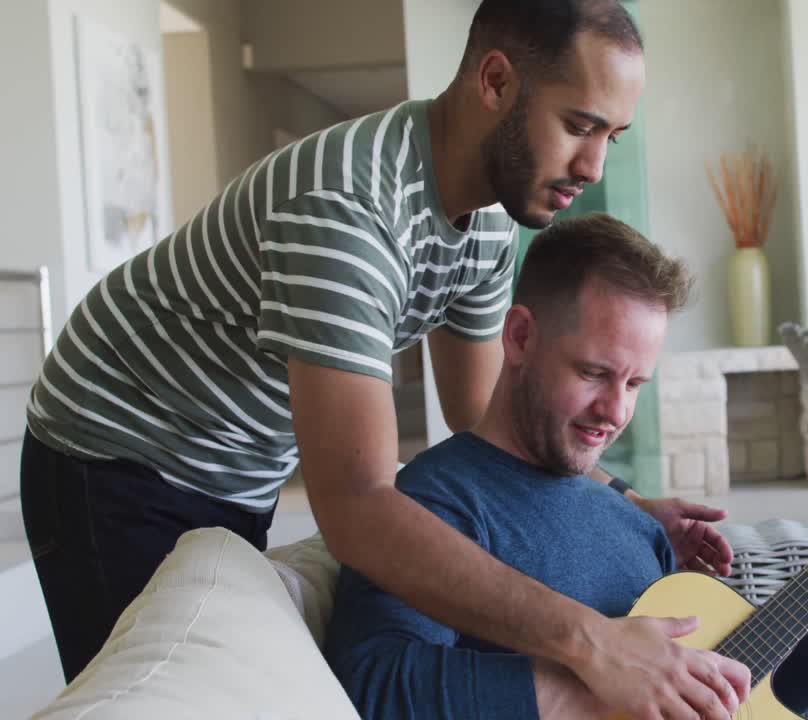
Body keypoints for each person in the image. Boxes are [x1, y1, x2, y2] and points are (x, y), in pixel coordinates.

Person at [20, 1, 744, 714]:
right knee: (159, 691)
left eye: (610, 136)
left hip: (242, 461)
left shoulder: (488, 226)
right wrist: (592, 643)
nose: (591, 165)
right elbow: (358, 508)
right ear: (495, 82)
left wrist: (626, 507)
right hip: (115, 446)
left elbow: (481, 415)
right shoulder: (347, 210)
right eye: (578, 125)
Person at [324, 213, 808, 720]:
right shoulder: (436, 505)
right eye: (594, 373)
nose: (614, 411)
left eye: (635, 382)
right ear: (518, 339)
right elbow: (370, 686)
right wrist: (601, 678)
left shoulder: (634, 522)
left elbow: (761, 694)